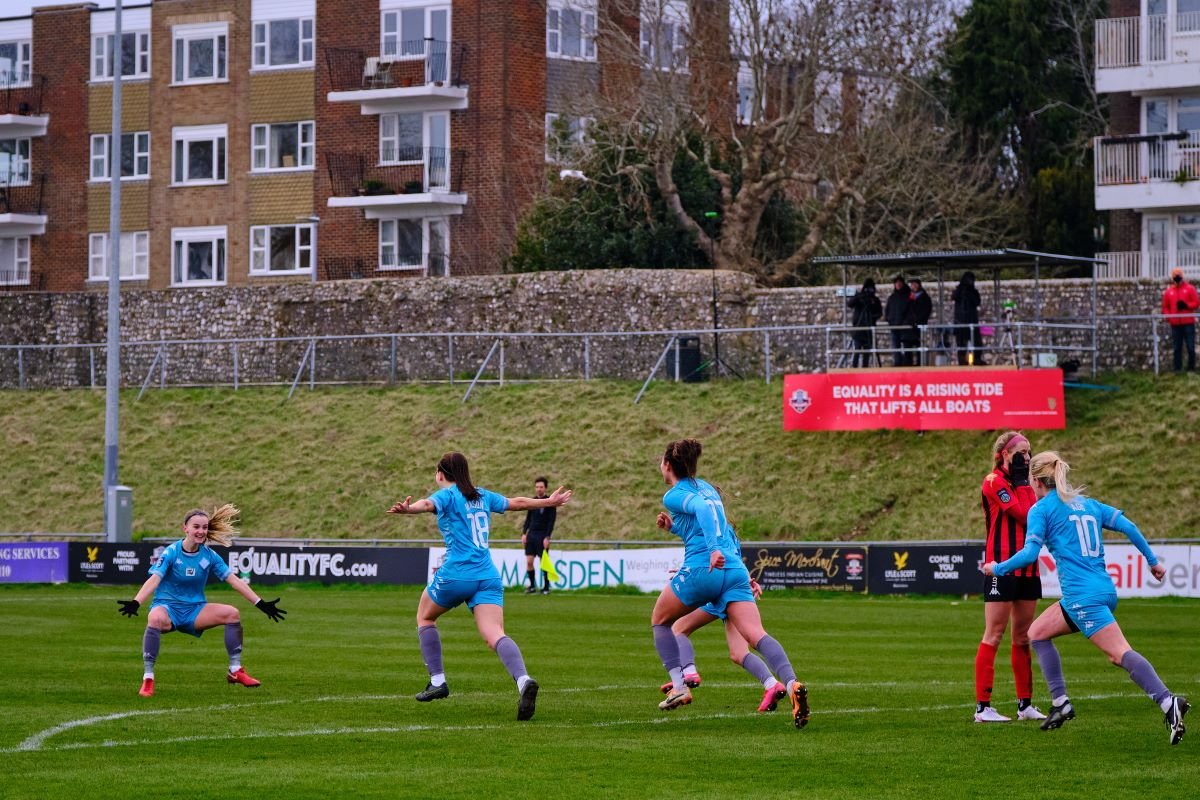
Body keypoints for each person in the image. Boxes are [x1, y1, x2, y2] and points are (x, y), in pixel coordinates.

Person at [983, 452, 1189, 745]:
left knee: (1118, 653)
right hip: (1101, 590)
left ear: (1037, 480)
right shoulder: (1088, 504)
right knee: (1037, 633)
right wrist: (1152, 561)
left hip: (1083, 597)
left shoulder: (1041, 510)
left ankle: (1169, 703)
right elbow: (1128, 526)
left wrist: (997, 568)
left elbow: (1030, 554)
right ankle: (1061, 702)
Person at [387, 452, 572, 721]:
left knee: (425, 617)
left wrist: (409, 509)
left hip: (457, 574)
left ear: (440, 473)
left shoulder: (447, 496)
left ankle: (438, 681)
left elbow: (426, 504)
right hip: (487, 575)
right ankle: (523, 681)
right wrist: (549, 501)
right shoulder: (482, 495)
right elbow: (517, 502)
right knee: (494, 634)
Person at [650, 438, 809, 728]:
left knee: (661, 621)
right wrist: (674, 528)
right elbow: (708, 522)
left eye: (660, 462)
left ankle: (679, 686)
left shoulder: (673, 495)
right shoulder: (708, 488)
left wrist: (712, 550)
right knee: (756, 636)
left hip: (706, 568)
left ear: (668, 465)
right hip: (733, 571)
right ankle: (791, 685)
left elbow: (702, 513)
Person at [117, 505, 287, 698]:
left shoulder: (209, 556)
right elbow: (154, 579)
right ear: (185, 528)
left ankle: (235, 670)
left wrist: (261, 603)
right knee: (154, 618)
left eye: (204, 527)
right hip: (168, 609)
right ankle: (148, 678)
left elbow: (234, 580)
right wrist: (136, 602)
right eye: (196, 527)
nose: (201, 531)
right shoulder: (171, 552)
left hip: (194, 611)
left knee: (232, 614)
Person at [973, 431, 1046, 723]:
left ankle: (1025, 705)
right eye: (1021, 452)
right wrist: (1022, 483)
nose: (1027, 458)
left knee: (1023, 637)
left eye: (1029, 452)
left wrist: (1024, 482)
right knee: (994, 634)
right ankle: (982, 707)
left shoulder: (1025, 482)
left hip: (1028, 567)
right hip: (1000, 566)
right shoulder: (994, 482)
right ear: (1004, 453)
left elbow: (1039, 512)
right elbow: (1026, 514)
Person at [656, 575, 790, 714]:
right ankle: (772, 685)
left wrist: (687, 572)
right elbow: (731, 556)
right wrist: (745, 578)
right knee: (739, 654)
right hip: (737, 591)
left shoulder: (712, 552)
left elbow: (714, 556)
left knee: (677, 630)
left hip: (720, 591)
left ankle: (687, 675)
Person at [521, 476, 557, 594]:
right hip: (531, 535)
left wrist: (547, 537)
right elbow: (528, 519)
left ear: (545, 488)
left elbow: (551, 521)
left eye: (541, 487)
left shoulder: (550, 502)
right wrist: (524, 533)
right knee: (529, 561)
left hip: (542, 535)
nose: (539, 489)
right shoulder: (532, 501)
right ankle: (532, 586)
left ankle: (546, 587)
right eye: (537, 487)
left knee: (544, 562)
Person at [1161, 267, 1198, 371]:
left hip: (1188, 323)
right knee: (1177, 348)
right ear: (1172, 278)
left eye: (1179, 276)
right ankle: (1177, 368)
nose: (1177, 278)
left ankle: (1191, 368)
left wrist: (1186, 305)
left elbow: (1196, 303)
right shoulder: (1169, 292)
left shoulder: (1190, 288)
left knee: (1190, 347)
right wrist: (1170, 318)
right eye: (1175, 276)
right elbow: (1165, 307)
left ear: (1182, 276)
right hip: (1175, 324)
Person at [846, 278, 883, 368]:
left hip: (869, 328)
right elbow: (850, 304)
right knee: (857, 349)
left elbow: (879, 313)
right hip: (858, 328)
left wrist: (872, 315)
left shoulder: (875, 300)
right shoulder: (859, 298)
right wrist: (858, 296)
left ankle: (865, 367)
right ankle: (854, 367)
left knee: (867, 351)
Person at [951, 270, 984, 365]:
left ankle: (976, 359)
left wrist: (969, 292)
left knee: (976, 342)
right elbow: (954, 297)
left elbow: (977, 302)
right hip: (960, 321)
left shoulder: (973, 292)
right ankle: (962, 361)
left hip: (971, 320)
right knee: (961, 344)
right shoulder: (959, 290)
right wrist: (963, 290)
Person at [884, 274, 913, 366]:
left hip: (905, 326)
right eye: (896, 283)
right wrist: (889, 320)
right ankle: (897, 363)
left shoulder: (909, 296)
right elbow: (887, 311)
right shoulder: (892, 297)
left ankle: (908, 364)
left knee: (907, 347)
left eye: (900, 283)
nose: (898, 285)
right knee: (896, 346)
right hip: (894, 326)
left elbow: (912, 310)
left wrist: (907, 322)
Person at [907, 277, 932, 365]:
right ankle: (908, 364)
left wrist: (919, 320)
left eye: (915, 284)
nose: (913, 286)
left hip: (920, 325)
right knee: (908, 346)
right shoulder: (908, 297)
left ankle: (921, 363)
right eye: (912, 284)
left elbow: (926, 311)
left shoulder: (924, 297)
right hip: (910, 326)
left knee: (920, 345)